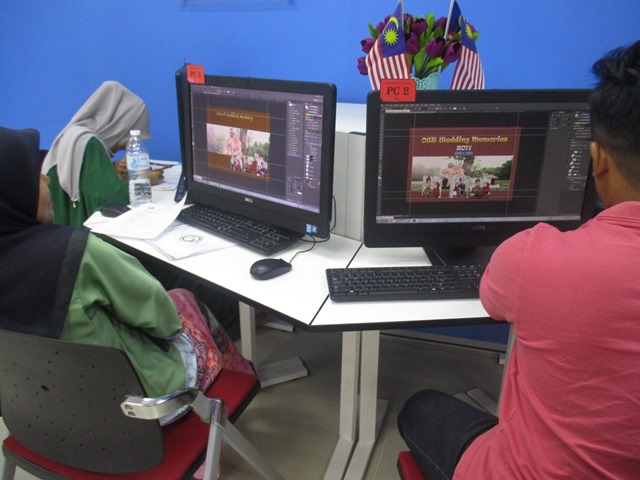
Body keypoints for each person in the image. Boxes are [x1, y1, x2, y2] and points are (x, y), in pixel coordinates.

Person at [398, 41, 640, 479]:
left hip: (520, 472)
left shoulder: (534, 256)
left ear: (597, 160)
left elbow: (494, 301)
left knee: (420, 408)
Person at [0, 126, 252, 423]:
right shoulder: (74, 253)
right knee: (185, 301)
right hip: (138, 409)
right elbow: (160, 316)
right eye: (34, 177)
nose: (46, 179)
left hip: (44, 418)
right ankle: (242, 383)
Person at [41, 81, 163, 227]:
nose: (123, 149)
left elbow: (89, 182)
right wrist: (146, 180)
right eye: (126, 141)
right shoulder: (89, 142)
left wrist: (113, 171)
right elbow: (108, 198)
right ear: (119, 125)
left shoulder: (77, 134)